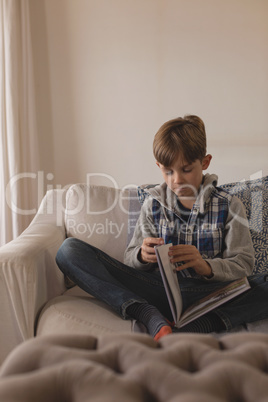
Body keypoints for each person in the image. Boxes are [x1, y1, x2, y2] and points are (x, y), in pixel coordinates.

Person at [56, 115, 268, 341]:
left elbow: (244, 265)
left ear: (204, 163)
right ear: (159, 167)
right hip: (156, 292)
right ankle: (147, 314)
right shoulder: (152, 204)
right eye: (168, 171)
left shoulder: (229, 205)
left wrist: (206, 266)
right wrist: (141, 255)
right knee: (69, 251)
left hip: (210, 295)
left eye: (186, 169)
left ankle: (198, 326)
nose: (177, 179)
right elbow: (129, 258)